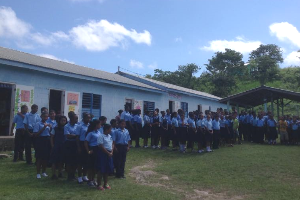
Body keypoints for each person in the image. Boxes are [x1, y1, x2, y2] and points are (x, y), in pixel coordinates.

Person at [33, 112, 52, 179]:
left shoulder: (48, 123)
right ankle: (38, 173)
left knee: (46, 157)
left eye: (47, 117)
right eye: (44, 116)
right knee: (39, 158)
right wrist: (44, 127)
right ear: (41, 116)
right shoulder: (38, 124)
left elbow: (50, 133)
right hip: (40, 140)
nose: (45, 118)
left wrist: (50, 128)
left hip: (47, 140)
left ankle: (44, 171)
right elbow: (36, 134)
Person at [96, 124, 114, 190]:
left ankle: (105, 183)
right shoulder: (101, 136)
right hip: (103, 154)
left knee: (107, 169)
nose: (111, 130)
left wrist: (111, 151)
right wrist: (108, 153)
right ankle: (99, 184)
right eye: (110, 129)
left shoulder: (109, 136)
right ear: (106, 129)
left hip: (109, 153)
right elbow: (101, 146)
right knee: (101, 169)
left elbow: (112, 144)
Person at [85, 120, 101, 188]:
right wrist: (88, 151)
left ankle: (93, 179)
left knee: (95, 166)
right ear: (96, 125)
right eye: (99, 124)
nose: (100, 125)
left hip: (98, 149)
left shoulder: (99, 132)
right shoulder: (90, 133)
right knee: (91, 166)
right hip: (92, 149)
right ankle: (89, 180)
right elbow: (86, 142)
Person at [50, 115, 67, 180]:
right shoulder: (55, 128)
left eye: (64, 120)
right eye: (62, 120)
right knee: (54, 161)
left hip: (64, 146)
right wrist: (52, 145)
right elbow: (51, 137)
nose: (63, 122)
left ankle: (60, 172)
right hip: (56, 145)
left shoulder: (66, 128)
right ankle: (53, 174)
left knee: (61, 160)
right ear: (59, 121)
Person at [76, 112, 91, 184]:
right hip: (81, 143)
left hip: (88, 144)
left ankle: (85, 175)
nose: (88, 119)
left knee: (87, 161)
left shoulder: (90, 125)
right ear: (84, 118)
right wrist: (78, 147)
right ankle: (79, 176)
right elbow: (77, 137)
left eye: (89, 118)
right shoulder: (80, 125)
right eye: (87, 117)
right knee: (80, 162)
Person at [64, 112, 78, 181]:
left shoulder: (77, 125)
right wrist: (75, 136)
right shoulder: (66, 126)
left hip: (76, 144)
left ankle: (73, 175)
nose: (77, 120)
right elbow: (68, 136)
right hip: (69, 144)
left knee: (75, 160)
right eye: (76, 118)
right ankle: (69, 175)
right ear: (71, 119)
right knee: (69, 160)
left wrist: (75, 136)